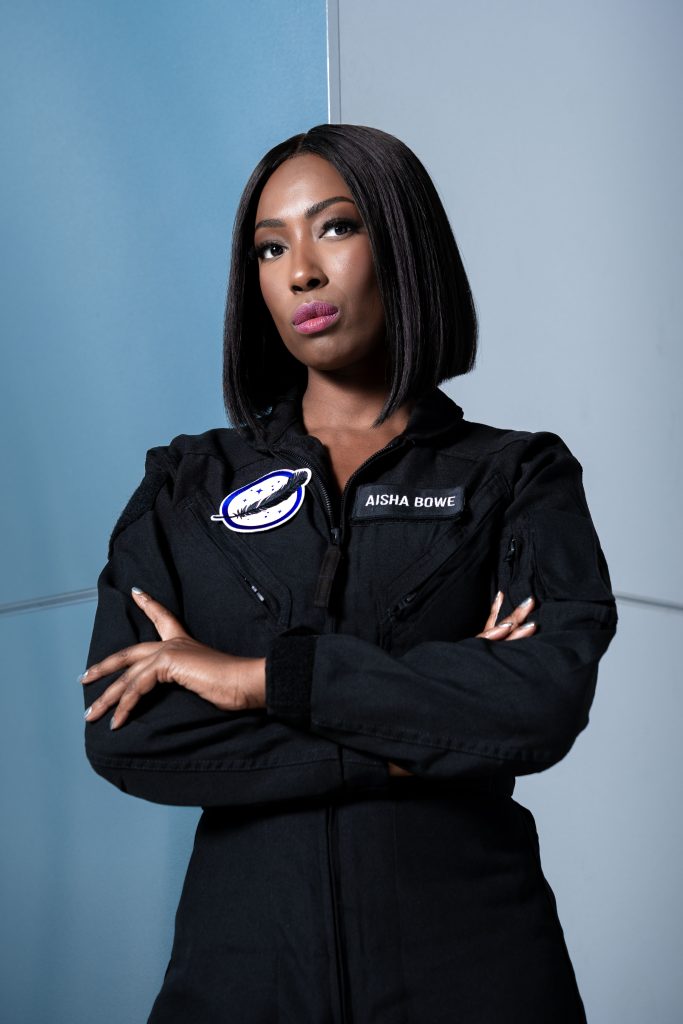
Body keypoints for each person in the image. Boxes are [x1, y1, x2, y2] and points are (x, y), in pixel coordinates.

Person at [81, 123, 617, 1023]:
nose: (300, 272)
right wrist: (424, 737)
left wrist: (261, 681)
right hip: (241, 978)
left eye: (335, 227)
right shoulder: (188, 481)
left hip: (474, 971)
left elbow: (539, 700)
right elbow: (128, 730)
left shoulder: (515, 476)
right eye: (269, 247)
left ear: (401, 243)